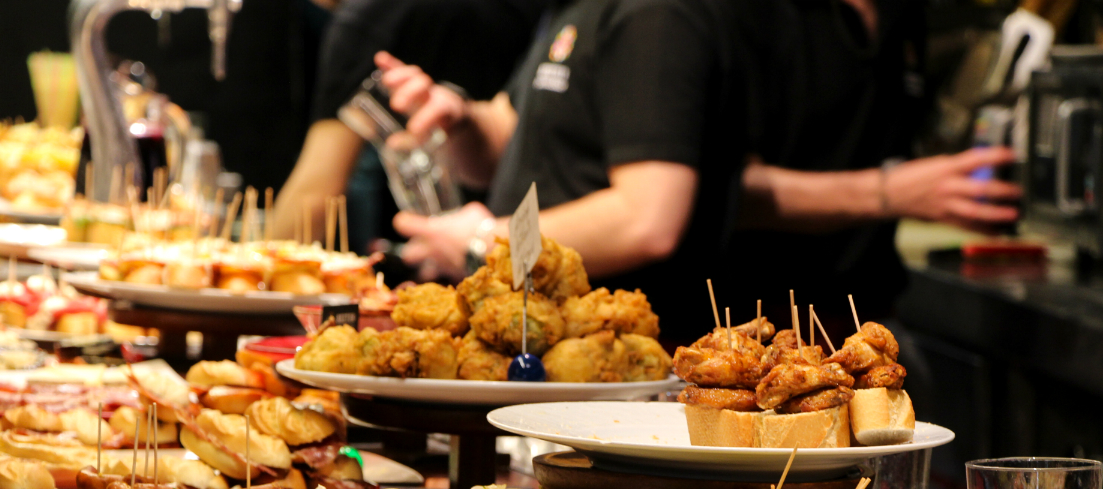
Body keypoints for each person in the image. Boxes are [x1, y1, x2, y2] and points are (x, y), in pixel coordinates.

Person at [373, 0, 745, 342]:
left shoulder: (652, 14)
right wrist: (459, 118)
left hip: (621, 363)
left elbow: (647, 220)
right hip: (542, 346)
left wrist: (485, 243)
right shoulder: (572, 8)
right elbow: (511, 135)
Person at [717, 0, 1020, 332]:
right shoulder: (736, 13)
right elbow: (714, 191)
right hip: (758, 323)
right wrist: (888, 192)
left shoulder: (904, 12)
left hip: (875, 313)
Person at [271, 0, 549, 245]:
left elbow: (316, 196)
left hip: (488, 245)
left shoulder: (366, 20)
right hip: (519, 231)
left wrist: (253, 264)